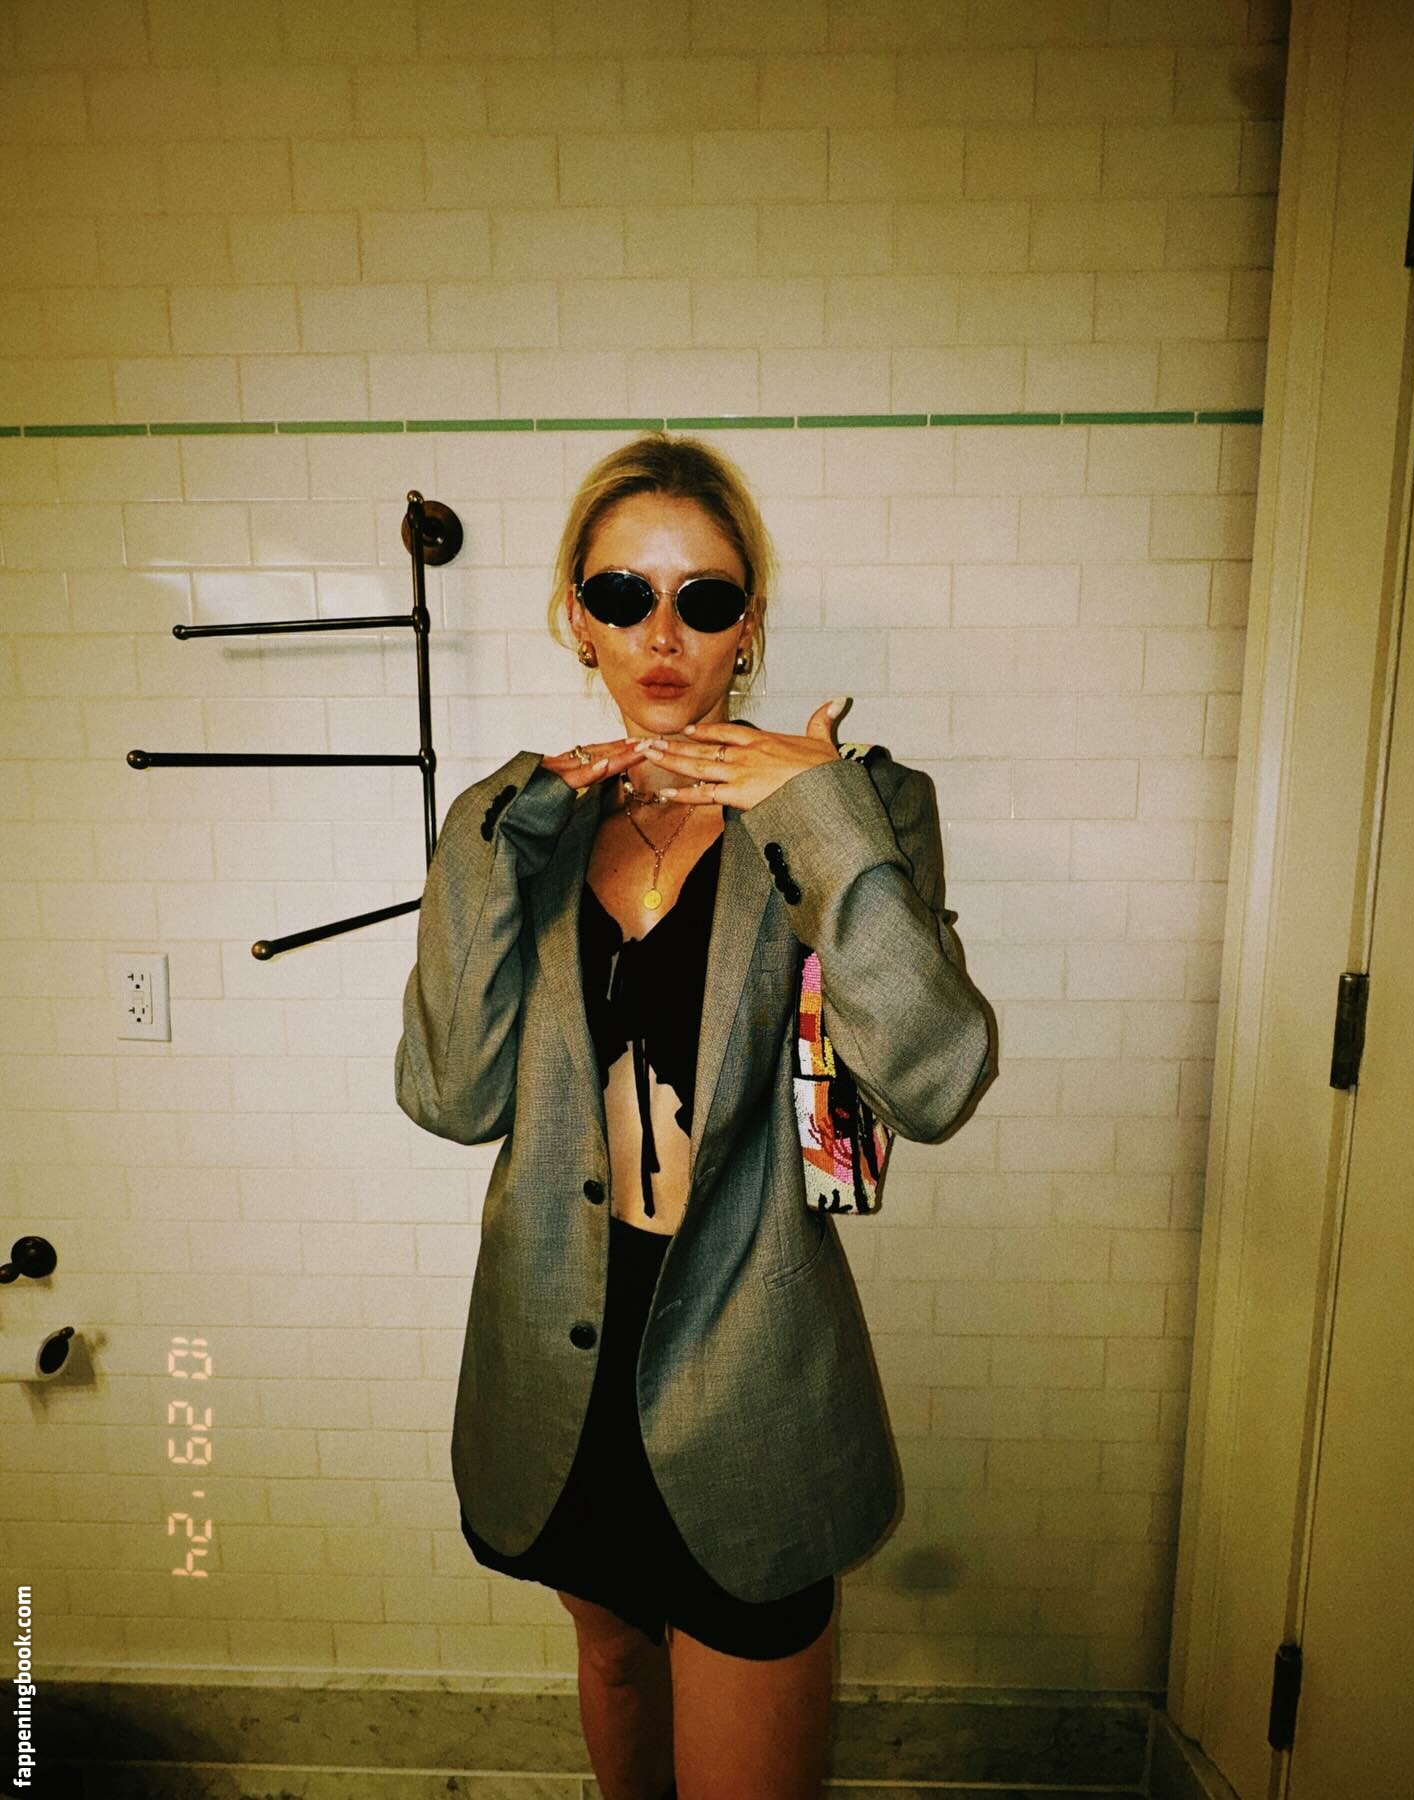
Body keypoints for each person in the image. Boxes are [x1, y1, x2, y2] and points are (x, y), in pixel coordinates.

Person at [395, 433, 992, 1800]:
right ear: (577, 617)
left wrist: (815, 813)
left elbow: (935, 1077)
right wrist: (493, 843)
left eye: (705, 599)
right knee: (612, 1665)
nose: (662, 635)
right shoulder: (526, 826)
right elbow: (450, 1094)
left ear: (749, 624)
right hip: (556, 1373)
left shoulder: (865, 807)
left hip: (748, 1383)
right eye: (624, 595)